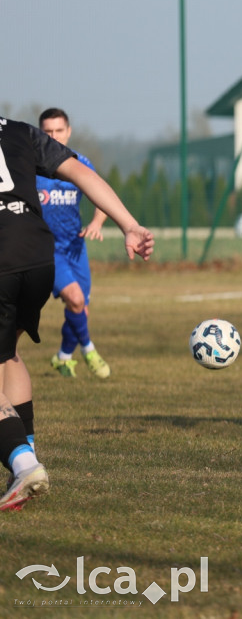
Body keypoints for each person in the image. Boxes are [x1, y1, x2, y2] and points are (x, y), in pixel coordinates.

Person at [0, 115, 154, 511]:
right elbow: (81, 172)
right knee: (8, 354)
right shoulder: (19, 131)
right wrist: (130, 225)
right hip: (37, 255)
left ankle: (24, 463)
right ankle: (23, 463)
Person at [37, 108, 111, 378]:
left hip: (76, 246)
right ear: (39, 133)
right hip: (46, 248)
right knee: (76, 299)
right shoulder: (29, 166)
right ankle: (89, 350)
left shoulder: (79, 163)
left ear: (68, 132)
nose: (53, 136)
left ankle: (63, 358)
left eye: (58, 131)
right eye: (47, 131)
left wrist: (97, 223)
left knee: (81, 308)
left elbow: (100, 193)